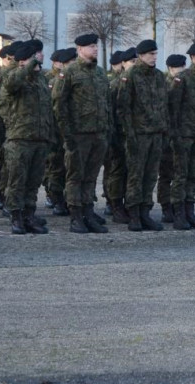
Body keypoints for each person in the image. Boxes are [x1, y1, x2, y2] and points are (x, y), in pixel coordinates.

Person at [55, 33, 111, 234]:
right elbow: (59, 105)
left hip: (98, 133)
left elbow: (107, 104)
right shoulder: (69, 73)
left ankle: (88, 213)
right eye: (90, 46)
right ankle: (76, 217)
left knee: (90, 177)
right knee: (75, 177)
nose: (95, 49)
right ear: (79, 49)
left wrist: (107, 129)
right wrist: (67, 134)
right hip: (78, 135)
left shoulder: (100, 73)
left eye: (95, 46)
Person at [0, 40, 53, 234]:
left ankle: (29, 215)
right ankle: (16, 217)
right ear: (22, 61)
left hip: (39, 138)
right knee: (16, 181)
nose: (38, 59)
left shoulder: (41, 80)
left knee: (33, 182)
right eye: (33, 57)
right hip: (19, 138)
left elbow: (47, 109)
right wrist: (28, 65)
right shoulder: (13, 76)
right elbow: (12, 84)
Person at [117, 39, 169, 232]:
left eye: (155, 54)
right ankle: (134, 214)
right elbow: (123, 109)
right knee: (135, 176)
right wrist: (130, 135)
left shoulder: (158, 76)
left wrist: (164, 130)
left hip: (156, 133)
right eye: (150, 54)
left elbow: (164, 106)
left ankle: (145, 211)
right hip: (138, 135)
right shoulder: (130, 76)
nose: (154, 57)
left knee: (150, 176)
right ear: (140, 55)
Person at [168, 42, 195, 230]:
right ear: (193, 58)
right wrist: (174, 135)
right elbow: (173, 109)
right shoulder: (182, 79)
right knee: (180, 175)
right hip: (183, 136)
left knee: (193, 175)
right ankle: (178, 213)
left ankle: (189, 211)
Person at [43, 47, 76, 217]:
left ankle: (69, 200)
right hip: (55, 131)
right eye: (71, 62)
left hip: (71, 130)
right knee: (56, 167)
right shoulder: (53, 80)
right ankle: (56, 199)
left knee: (69, 168)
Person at [103, 47, 135, 224]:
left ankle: (131, 205)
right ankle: (114, 205)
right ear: (124, 64)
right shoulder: (116, 84)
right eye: (132, 62)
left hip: (135, 135)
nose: (135, 65)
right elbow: (110, 111)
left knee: (133, 173)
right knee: (117, 171)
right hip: (119, 134)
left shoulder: (139, 82)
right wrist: (113, 136)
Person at [156, 54, 187, 223]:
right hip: (167, 135)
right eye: (178, 68)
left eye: (183, 67)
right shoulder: (165, 83)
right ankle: (165, 207)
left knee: (181, 174)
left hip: (182, 134)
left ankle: (178, 206)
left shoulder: (186, 82)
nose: (181, 71)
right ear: (170, 69)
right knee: (166, 174)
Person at [0, 41, 19, 216]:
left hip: (12, 127)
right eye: (10, 59)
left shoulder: (15, 76)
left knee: (10, 165)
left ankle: (7, 197)